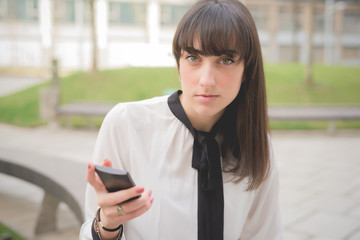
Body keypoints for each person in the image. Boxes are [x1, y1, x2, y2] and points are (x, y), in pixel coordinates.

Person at [80, 0, 282, 239]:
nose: (206, 80)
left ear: (247, 69)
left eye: (226, 60)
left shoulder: (256, 144)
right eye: (193, 58)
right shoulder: (127, 124)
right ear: (178, 62)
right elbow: (91, 229)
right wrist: (107, 224)